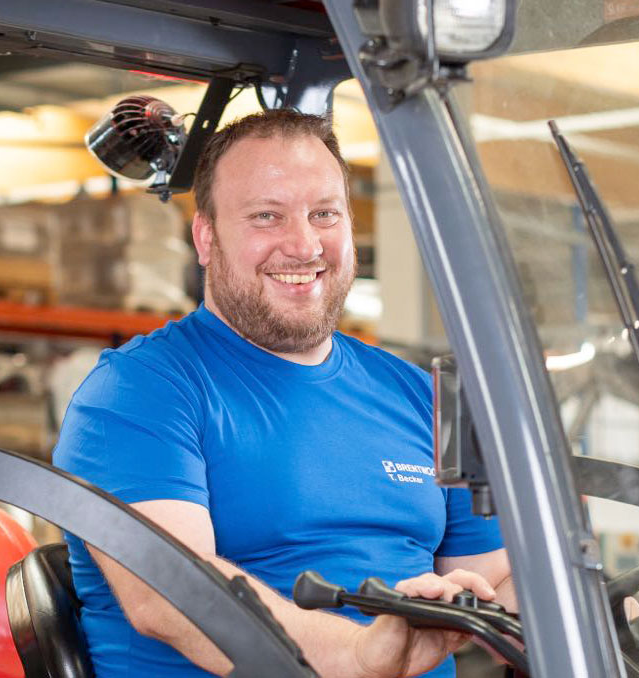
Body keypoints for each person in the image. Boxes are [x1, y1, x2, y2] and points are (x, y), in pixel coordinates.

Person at [53, 109, 514, 678]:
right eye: (266, 216)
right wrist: (360, 657)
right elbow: (172, 593)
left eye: (324, 214)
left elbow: (497, 579)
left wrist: (628, 626)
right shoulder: (135, 391)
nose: (303, 245)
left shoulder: (436, 397)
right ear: (205, 236)